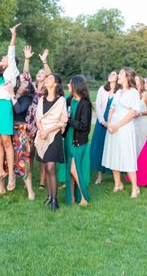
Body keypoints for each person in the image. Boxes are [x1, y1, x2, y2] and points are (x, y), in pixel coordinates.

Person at [0, 21, 20, 195]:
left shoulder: (11, 72)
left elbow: (11, 51)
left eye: (5, 58)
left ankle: (12, 175)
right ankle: (0, 170)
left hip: (3, 107)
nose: (2, 59)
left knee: (7, 142)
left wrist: (13, 35)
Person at [102, 67, 141, 198]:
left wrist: (117, 126)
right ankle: (118, 184)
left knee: (126, 155)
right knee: (113, 153)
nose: (118, 75)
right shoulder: (118, 92)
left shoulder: (134, 92)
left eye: (121, 74)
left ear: (128, 77)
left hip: (124, 127)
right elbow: (112, 108)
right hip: (113, 126)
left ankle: (135, 187)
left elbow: (132, 113)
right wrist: (109, 123)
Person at [34, 73, 68, 211]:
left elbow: (63, 121)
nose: (47, 79)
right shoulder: (41, 99)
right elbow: (37, 119)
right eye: (46, 78)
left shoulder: (61, 101)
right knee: (46, 167)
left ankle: (55, 200)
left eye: (50, 78)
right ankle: (49, 196)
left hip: (54, 136)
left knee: (51, 167)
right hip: (42, 135)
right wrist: (42, 130)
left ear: (55, 84)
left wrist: (47, 131)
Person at [22, 46, 51, 190]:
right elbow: (26, 74)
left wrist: (44, 62)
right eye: (38, 72)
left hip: (42, 124)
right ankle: (28, 178)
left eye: (42, 73)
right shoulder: (32, 86)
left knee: (42, 154)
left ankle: (42, 182)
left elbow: (51, 75)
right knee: (29, 152)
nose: (39, 74)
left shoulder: (47, 90)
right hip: (29, 123)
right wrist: (27, 58)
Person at [64, 75, 92, 206]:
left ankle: (84, 196)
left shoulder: (85, 104)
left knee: (74, 169)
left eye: (70, 84)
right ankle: (71, 198)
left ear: (76, 86)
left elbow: (83, 125)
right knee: (69, 169)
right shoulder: (69, 100)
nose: (68, 86)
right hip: (68, 138)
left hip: (78, 140)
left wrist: (68, 120)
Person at [10, 74, 36, 200]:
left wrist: (12, 96)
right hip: (10, 130)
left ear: (28, 89)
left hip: (20, 131)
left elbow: (18, 110)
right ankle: (9, 184)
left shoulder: (26, 99)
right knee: (9, 160)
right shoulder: (15, 94)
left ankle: (31, 191)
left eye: (25, 83)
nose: (22, 83)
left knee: (22, 160)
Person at [90, 71, 119, 184]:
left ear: (117, 78)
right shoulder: (102, 89)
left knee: (112, 146)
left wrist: (111, 123)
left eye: (114, 74)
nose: (111, 75)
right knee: (99, 146)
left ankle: (115, 173)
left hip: (114, 121)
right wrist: (102, 121)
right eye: (110, 74)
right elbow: (97, 105)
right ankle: (99, 175)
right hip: (102, 121)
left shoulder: (120, 91)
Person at [134, 75, 147, 154]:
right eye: (134, 79)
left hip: (143, 122)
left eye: (137, 79)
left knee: (143, 143)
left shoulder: (145, 94)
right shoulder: (132, 93)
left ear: (141, 82)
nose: (135, 80)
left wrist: (140, 113)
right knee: (134, 144)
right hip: (133, 122)